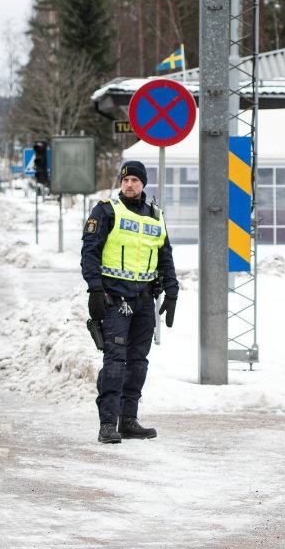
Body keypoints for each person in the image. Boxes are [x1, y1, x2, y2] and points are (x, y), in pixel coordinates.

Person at [81, 160, 180, 444]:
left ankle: (128, 420)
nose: (129, 184)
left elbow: (166, 256)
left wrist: (172, 291)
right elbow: (90, 252)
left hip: (145, 300)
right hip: (115, 300)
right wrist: (95, 290)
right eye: (125, 180)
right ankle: (108, 424)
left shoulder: (156, 216)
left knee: (138, 362)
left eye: (135, 180)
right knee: (114, 361)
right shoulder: (106, 211)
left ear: (143, 184)